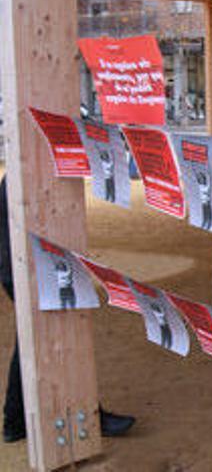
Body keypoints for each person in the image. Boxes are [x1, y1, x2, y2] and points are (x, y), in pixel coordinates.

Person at [0, 177, 135, 443]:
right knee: (60, 336)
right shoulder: (31, 169)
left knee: (34, 337)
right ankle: (83, 412)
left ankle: (14, 419)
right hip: (27, 267)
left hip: (25, 265)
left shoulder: (26, 166)